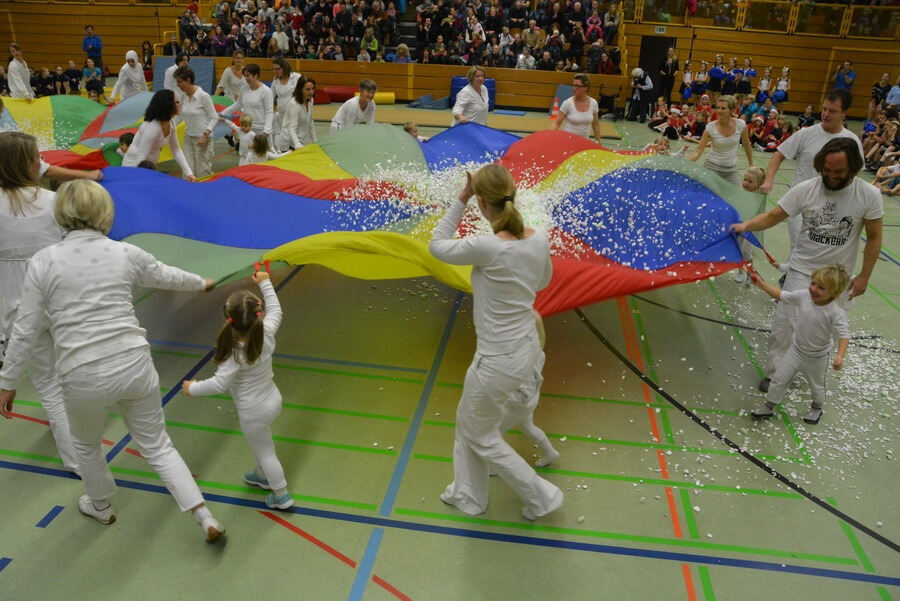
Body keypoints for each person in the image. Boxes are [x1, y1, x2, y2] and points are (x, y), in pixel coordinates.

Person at [0, 180, 225, 542]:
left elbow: (26, 328)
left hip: (82, 373)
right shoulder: (125, 252)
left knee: (87, 445)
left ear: (61, 213)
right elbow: (167, 275)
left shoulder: (44, 261)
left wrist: (7, 382)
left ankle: (101, 506)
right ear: (104, 212)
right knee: (158, 444)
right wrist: (202, 282)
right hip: (134, 362)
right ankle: (204, 515)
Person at [429, 164, 563, 520]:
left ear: (482, 204)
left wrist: (461, 198)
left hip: (497, 360)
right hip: (526, 348)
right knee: (469, 424)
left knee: (481, 433)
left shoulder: (487, 247)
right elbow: (543, 283)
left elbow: (436, 246)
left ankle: (540, 495)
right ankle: (468, 494)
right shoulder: (538, 238)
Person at [731, 138, 883, 392]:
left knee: (822, 330)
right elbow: (774, 216)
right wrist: (746, 226)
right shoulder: (806, 189)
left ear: (853, 169)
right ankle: (776, 373)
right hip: (803, 269)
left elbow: (875, 237)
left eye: (839, 172)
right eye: (827, 170)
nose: (831, 176)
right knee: (786, 323)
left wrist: (865, 276)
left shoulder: (869, 195)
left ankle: (804, 368)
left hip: (838, 276)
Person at [181, 270, 294, 510]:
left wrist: (193, 388)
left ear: (228, 319)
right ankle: (262, 476)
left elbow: (218, 384)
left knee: (265, 451)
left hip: (253, 411)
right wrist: (265, 282)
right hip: (272, 399)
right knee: (260, 444)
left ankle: (281, 495)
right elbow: (276, 310)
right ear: (258, 314)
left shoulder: (234, 353)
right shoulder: (266, 331)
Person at [0, 132, 79, 473]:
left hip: (17, 308)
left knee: (49, 383)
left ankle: (75, 453)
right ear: (23, 164)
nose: (40, 163)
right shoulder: (52, 203)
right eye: (36, 158)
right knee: (62, 377)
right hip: (56, 300)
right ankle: (80, 460)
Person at [758, 89, 864, 250]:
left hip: (831, 208)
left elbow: (855, 175)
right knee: (800, 247)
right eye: (824, 109)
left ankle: (790, 273)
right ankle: (792, 273)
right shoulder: (806, 134)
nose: (826, 114)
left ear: (845, 113)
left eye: (832, 111)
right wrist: (769, 180)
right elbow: (778, 155)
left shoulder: (852, 141)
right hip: (801, 204)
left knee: (816, 252)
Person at [747, 264, 850, 425]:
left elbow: (844, 336)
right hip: (795, 350)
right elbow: (782, 295)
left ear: (834, 292)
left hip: (817, 357)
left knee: (816, 385)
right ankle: (769, 405)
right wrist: (762, 285)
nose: (814, 289)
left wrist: (840, 355)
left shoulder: (836, 313)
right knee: (779, 378)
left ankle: (817, 407)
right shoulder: (804, 296)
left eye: (821, 288)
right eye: (813, 283)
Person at [122, 89, 197, 181]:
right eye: (177, 102)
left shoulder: (171, 122)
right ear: (168, 106)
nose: (180, 104)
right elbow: (141, 157)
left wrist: (189, 173)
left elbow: (176, 150)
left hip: (147, 166)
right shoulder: (153, 127)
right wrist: (139, 179)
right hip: (134, 167)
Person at [687, 95, 753, 186]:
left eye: (723, 108)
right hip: (711, 168)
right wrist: (685, 163)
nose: (719, 111)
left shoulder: (741, 125)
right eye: (718, 108)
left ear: (731, 110)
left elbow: (746, 144)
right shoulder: (710, 127)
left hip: (730, 170)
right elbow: (698, 152)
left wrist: (751, 165)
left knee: (734, 197)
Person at [174, 66, 218, 179]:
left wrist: (205, 134)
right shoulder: (183, 97)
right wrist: (165, 126)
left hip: (202, 140)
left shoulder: (204, 96)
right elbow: (179, 117)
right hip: (188, 138)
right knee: (188, 172)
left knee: (203, 171)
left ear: (188, 80)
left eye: (179, 81)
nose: (177, 85)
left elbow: (214, 117)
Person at [219, 63, 274, 143]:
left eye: (248, 76)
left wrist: (267, 131)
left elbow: (269, 112)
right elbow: (238, 104)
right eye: (245, 76)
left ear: (256, 75)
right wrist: (223, 113)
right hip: (247, 128)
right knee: (247, 153)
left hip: (261, 130)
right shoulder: (244, 89)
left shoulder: (266, 91)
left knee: (266, 153)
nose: (246, 78)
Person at [552, 73, 602, 140]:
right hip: (568, 141)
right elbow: (557, 123)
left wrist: (598, 141)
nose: (574, 88)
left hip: (584, 142)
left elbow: (596, 124)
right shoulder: (567, 103)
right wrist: (548, 137)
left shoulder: (594, 103)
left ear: (586, 88)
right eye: (573, 85)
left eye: (577, 86)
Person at [270, 58, 300, 151]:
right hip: (282, 114)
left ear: (284, 68)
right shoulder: (275, 81)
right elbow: (270, 96)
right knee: (284, 137)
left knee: (294, 136)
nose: (275, 71)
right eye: (274, 69)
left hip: (295, 112)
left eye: (277, 69)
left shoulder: (296, 77)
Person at [280, 75, 317, 151]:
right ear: (300, 90)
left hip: (301, 141)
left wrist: (315, 141)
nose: (311, 92)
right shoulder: (294, 104)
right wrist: (297, 145)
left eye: (313, 89)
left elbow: (310, 121)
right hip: (288, 143)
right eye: (308, 89)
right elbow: (291, 129)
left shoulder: (310, 100)